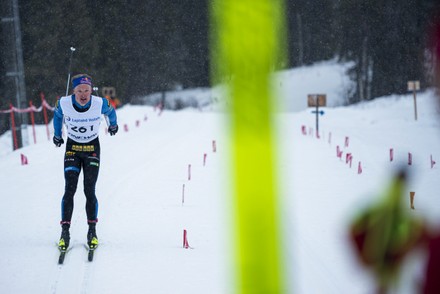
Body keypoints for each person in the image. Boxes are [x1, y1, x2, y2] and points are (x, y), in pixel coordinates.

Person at [53, 74, 118, 251]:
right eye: (79, 90)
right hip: (72, 149)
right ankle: (64, 232)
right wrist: (57, 135)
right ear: (73, 91)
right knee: (70, 189)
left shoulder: (100, 103)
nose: (83, 94)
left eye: (87, 90)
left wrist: (113, 125)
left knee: (89, 189)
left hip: (91, 149)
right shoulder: (64, 103)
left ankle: (92, 231)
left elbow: (111, 111)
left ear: (91, 90)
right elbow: (57, 116)